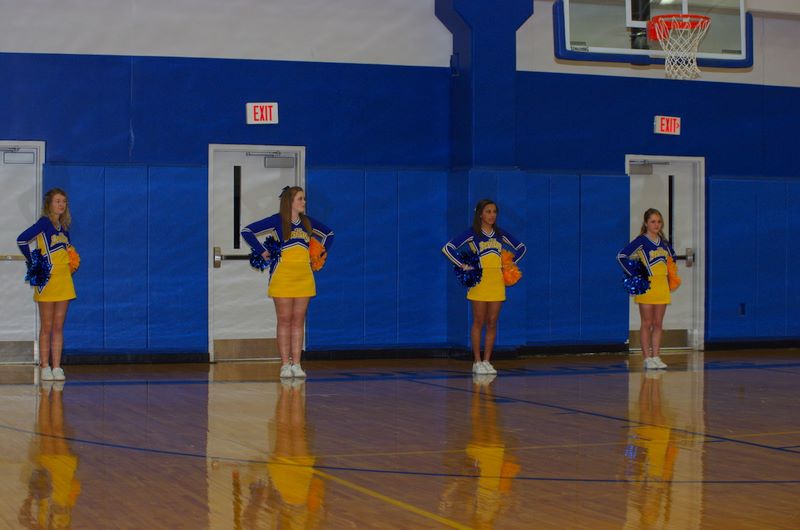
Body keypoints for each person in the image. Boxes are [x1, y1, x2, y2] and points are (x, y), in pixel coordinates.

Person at [241, 186, 334, 379]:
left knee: (298, 321)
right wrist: (262, 251)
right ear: (289, 202)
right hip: (282, 276)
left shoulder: (307, 222)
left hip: (304, 277)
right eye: (300, 199)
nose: (304, 202)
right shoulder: (277, 220)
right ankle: (285, 364)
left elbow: (329, 234)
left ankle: (297, 364)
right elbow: (247, 231)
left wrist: (319, 253)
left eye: (304, 199)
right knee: (284, 320)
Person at [442, 199, 526, 375]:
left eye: (494, 211)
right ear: (480, 214)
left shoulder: (500, 234)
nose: (492, 215)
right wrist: (463, 265)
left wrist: (509, 264)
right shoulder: (472, 234)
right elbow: (448, 248)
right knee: (479, 321)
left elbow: (521, 248)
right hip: (480, 282)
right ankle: (477, 361)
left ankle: (487, 361)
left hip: (497, 282)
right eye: (488, 211)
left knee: (492, 322)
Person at [17, 188, 77, 382]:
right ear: (49, 204)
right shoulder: (44, 223)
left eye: (64, 201)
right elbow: (22, 240)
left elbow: (68, 252)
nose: (61, 205)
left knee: (59, 326)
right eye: (57, 201)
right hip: (47, 279)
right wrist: (34, 262)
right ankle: (45, 365)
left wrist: (71, 262)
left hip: (64, 280)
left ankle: (57, 366)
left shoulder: (64, 228)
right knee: (47, 325)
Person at [617, 208, 678, 370]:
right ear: (646, 223)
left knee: (658, 323)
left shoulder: (664, 243)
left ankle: (656, 356)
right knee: (647, 323)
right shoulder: (641, 241)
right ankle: (647, 358)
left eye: (659, 222)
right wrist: (636, 273)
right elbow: (621, 256)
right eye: (653, 222)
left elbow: (672, 258)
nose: (656, 225)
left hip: (662, 286)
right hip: (647, 286)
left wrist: (670, 275)